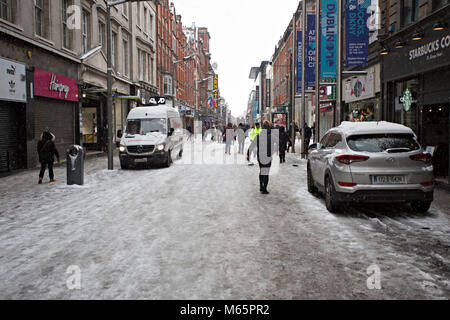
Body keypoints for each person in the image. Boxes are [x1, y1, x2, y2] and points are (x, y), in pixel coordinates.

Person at [247, 121, 275, 194]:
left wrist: (248, 154)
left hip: (260, 156)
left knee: (262, 170)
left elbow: (252, 146)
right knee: (266, 172)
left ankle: (261, 185)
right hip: (268, 156)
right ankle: (264, 188)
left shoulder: (258, 136)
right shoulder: (271, 136)